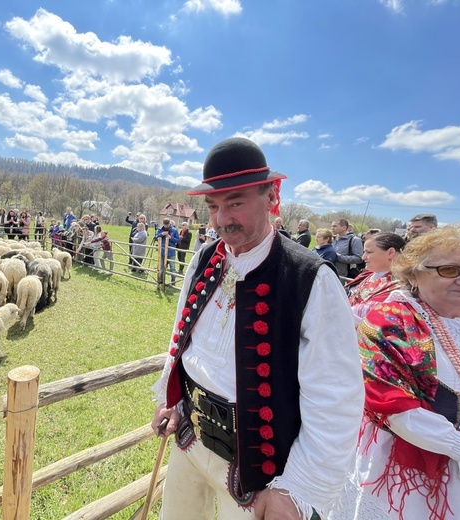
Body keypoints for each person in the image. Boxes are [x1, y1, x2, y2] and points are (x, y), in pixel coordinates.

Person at [151, 137, 363, 519]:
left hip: (260, 477)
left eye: (235, 203)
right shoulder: (204, 257)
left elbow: (336, 397)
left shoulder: (310, 278)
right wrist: (174, 399)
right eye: (213, 206)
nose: (221, 219)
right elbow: (183, 337)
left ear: (271, 196)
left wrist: (295, 488)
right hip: (191, 440)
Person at [329, 226, 460, 520]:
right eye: (449, 270)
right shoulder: (391, 320)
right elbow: (389, 402)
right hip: (410, 460)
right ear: (413, 275)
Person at [345, 232, 406, 322]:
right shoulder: (367, 275)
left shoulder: (401, 288)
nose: (363, 257)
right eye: (364, 252)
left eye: (368, 252)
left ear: (390, 253)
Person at [154, 218, 180, 286]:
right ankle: (161, 279)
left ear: (169, 224)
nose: (166, 226)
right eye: (165, 225)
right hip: (162, 251)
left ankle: (173, 281)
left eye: (167, 225)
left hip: (171, 251)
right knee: (162, 266)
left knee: (172, 267)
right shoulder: (160, 229)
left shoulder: (174, 230)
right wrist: (162, 234)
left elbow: (178, 240)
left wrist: (170, 237)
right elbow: (156, 237)